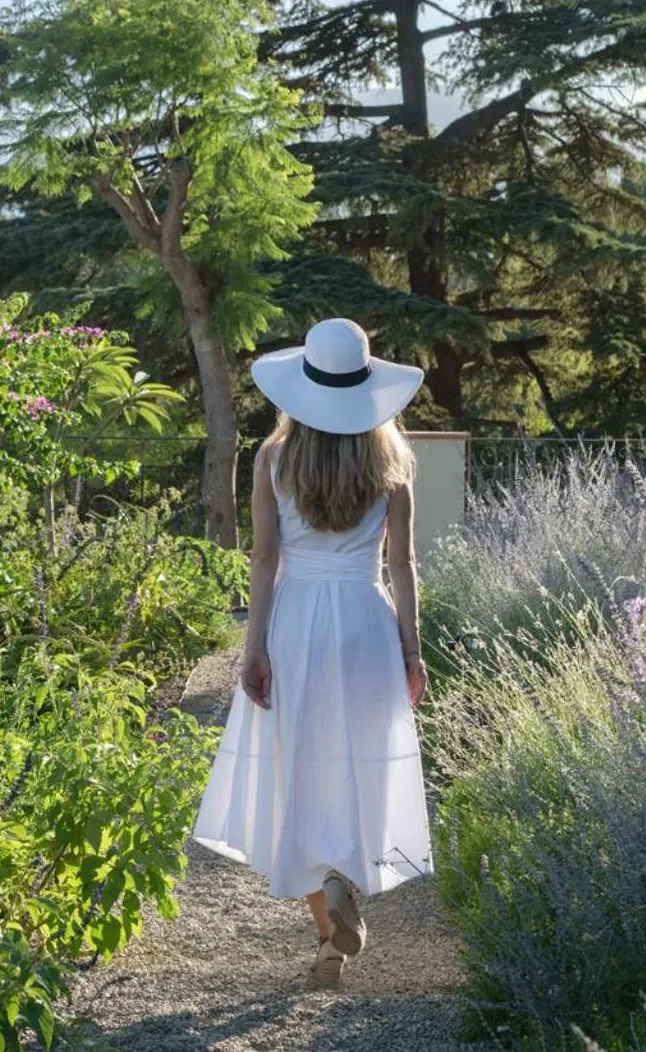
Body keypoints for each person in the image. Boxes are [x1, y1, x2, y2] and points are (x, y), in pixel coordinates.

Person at [191, 318, 433, 988]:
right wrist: (412, 652)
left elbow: (265, 559)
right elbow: (404, 565)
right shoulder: (393, 463)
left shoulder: (274, 459)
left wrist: (254, 648)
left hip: (296, 623)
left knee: (298, 773)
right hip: (365, 623)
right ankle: (344, 887)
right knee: (358, 769)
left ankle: (329, 936)